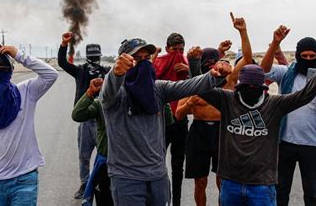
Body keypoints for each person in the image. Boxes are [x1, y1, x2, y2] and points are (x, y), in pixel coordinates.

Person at [195, 27, 316, 205]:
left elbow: (306, 94)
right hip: (231, 182)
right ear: (238, 87)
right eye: (246, 88)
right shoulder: (227, 100)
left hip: (261, 185)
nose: (250, 92)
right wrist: (195, 62)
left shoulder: (274, 104)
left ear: (265, 88)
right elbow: (199, 87)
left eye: (256, 88)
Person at [99, 38, 232, 205]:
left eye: (147, 59)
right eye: (136, 59)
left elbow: (191, 85)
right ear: (123, 62)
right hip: (126, 177)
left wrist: (214, 76)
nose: (143, 64)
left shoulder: (158, 89)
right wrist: (115, 74)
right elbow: (107, 92)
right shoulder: (115, 95)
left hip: (158, 176)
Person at [0, 46, 58, 206]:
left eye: (3, 71)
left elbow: (51, 75)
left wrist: (19, 55)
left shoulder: (25, 92)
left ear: (10, 72)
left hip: (24, 178)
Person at [175, 13, 252, 206]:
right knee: (200, 182)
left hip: (222, 130)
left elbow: (248, 58)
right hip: (199, 131)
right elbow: (178, 114)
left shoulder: (229, 79)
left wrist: (243, 32)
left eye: (214, 64)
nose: (213, 69)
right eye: (207, 66)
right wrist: (190, 103)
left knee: (222, 181)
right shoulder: (195, 84)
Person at [261, 28, 316, 206]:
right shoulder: (287, 72)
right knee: (279, 192)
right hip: (284, 143)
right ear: (297, 55)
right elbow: (263, 70)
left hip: (313, 146)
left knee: (312, 195)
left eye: (312, 56)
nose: (308, 60)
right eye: (303, 56)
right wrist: (275, 44)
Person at [58, 32, 111, 199]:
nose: (94, 59)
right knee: (84, 155)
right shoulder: (80, 71)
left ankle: (105, 183)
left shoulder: (107, 72)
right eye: (92, 56)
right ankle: (84, 184)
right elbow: (62, 63)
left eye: (96, 56)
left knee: (106, 154)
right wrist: (63, 45)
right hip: (86, 121)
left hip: (103, 120)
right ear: (88, 56)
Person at [152, 32, 189, 206]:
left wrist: (188, 70)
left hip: (180, 119)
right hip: (162, 121)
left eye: (181, 49)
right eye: (174, 50)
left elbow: (197, 81)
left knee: (177, 165)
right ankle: (159, 199)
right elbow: (148, 79)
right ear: (167, 48)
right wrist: (153, 60)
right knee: (157, 162)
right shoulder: (159, 61)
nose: (178, 54)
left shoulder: (187, 62)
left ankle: (177, 202)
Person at [72, 78, 113, 206]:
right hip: (106, 161)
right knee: (84, 156)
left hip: (128, 165)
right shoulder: (101, 103)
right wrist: (90, 92)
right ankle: (84, 183)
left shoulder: (138, 102)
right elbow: (77, 114)